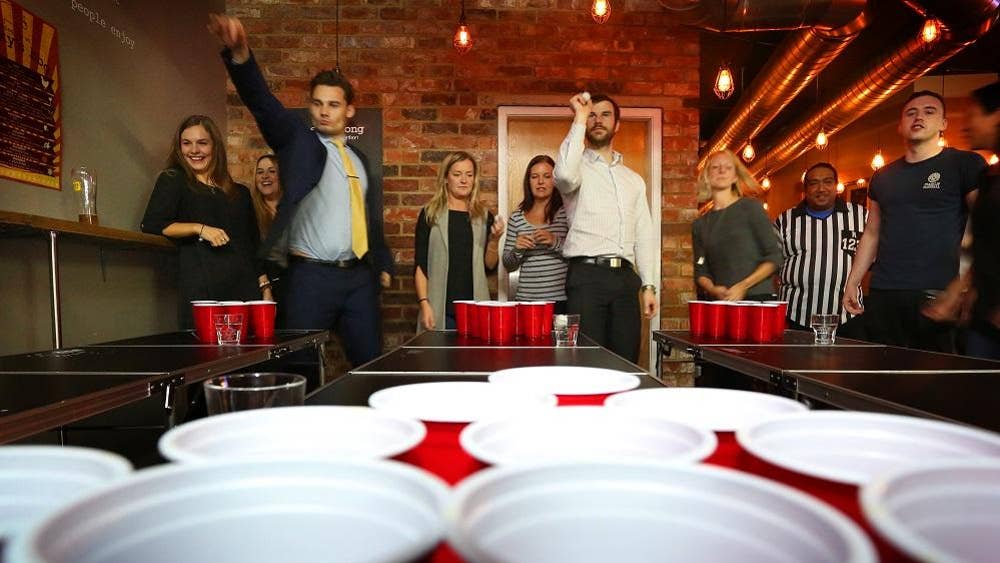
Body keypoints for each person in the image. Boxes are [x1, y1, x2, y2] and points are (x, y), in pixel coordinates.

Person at [208, 14, 394, 367]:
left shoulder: (360, 160)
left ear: (349, 110)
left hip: (359, 279)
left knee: (371, 366)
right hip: (310, 278)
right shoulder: (299, 142)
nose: (324, 112)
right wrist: (241, 54)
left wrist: (381, 263)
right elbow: (263, 103)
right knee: (300, 366)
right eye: (317, 103)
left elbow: (367, 219)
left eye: (333, 104)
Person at [842, 90, 986, 352]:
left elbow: (987, 230)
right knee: (883, 369)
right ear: (900, 126)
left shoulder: (964, 164)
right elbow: (872, 233)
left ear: (943, 123)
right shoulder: (883, 176)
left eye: (929, 111)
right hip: (884, 292)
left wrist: (962, 287)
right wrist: (853, 281)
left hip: (936, 291)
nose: (919, 117)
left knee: (934, 373)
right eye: (911, 112)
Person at [554, 93, 657, 363]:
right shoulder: (576, 168)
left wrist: (649, 284)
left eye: (605, 115)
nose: (598, 120)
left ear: (617, 125)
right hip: (586, 277)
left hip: (626, 279)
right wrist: (579, 117)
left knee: (626, 361)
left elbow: (644, 233)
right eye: (592, 115)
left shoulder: (633, 180)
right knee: (587, 364)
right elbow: (563, 176)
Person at [141, 115, 269, 327]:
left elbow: (252, 244)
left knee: (248, 346)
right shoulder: (174, 180)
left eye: (202, 143)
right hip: (203, 289)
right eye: (186, 143)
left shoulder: (240, 192)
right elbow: (152, 224)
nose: (194, 150)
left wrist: (265, 287)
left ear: (214, 146)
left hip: (244, 287)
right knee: (204, 346)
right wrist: (199, 228)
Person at [923, 81, 1000, 359]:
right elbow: (982, 248)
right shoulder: (987, 177)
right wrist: (955, 294)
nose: (965, 124)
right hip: (982, 322)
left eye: (972, 115)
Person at [414, 152, 505, 330]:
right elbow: (420, 265)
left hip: (475, 309)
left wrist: (494, 240)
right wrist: (424, 303)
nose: (464, 180)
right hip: (440, 308)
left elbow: (489, 266)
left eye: (469, 175)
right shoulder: (430, 214)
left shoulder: (484, 216)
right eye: (457, 174)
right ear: (446, 178)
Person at [774, 162, 866, 336]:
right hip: (795, 315)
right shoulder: (785, 220)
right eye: (814, 183)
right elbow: (772, 264)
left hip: (847, 315)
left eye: (828, 182)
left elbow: (873, 257)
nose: (821, 188)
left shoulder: (861, 216)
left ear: (836, 185)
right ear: (805, 189)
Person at [692, 149, 783, 302]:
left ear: (735, 176)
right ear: (706, 176)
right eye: (715, 167)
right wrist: (713, 289)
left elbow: (775, 257)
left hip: (758, 300)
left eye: (728, 167)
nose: (721, 170)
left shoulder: (751, 208)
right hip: (722, 302)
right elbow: (701, 270)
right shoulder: (700, 224)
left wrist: (743, 286)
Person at [502, 154, 569, 311]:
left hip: (561, 299)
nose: (540, 182)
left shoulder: (566, 213)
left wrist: (554, 241)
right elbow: (508, 265)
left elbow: (579, 254)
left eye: (547, 176)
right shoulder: (517, 217)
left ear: (555, 181)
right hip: (526, 301)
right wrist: (517, 249)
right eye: (534, 177)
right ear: (528, 181)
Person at [250, 154, 282, 240]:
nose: (265, 176)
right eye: (260, 172)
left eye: (272, 171)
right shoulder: (249, 212)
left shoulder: (294, 209)